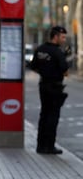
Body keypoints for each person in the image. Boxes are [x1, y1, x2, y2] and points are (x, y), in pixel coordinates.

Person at [30, 26, 69, 155]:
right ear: (55, 36)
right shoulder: (57, 52)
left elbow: (33, 66)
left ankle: (40, 145)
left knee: (44, 115)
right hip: (55, 86)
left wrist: (44, 72)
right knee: (53, 116)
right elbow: (66, 70)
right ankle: (50, 146)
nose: (64, 40)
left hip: (43, 85)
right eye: (62, 37)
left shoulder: (40, 49)